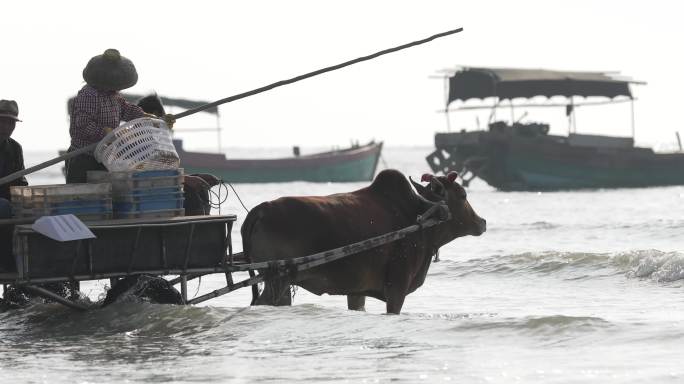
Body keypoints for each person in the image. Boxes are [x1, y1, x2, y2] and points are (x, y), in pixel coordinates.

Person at [66, 48, 175, 183]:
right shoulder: (89, 95)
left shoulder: (114, 96)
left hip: (105, 155)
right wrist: (105, 132)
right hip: (83, 156)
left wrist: (151, 118)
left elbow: (127, 110)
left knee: (106, 193)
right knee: (84, 195)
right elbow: (83, 124)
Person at [0, 99, 27, 272]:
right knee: (3, 207)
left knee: (35, 209)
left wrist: (28, 199)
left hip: (8, 201)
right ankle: (7, 265)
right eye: (3, 121)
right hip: (2, 205)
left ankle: (27, 266)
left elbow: (21, 182)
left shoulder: (15, 148)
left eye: (11, 122)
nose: (7, 126)